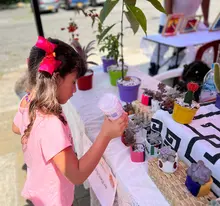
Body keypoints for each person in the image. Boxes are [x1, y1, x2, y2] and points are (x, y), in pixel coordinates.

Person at [12, 36, 128, 206]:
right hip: (54, 200)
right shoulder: (50, 123)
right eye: (73, 82)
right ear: (57, 79)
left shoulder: (28, 100)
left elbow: (16, 127)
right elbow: (77, 174)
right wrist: (105, 135)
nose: (74, 90)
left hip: (38, 189)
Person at [149, 0, 210, 76]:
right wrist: (172, 23)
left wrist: (206, 19)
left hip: (189, 22)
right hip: (170, 21)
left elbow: (205, 1)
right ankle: (153, 71)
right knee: (162, 48)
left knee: (181, 51)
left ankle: (171, 74)